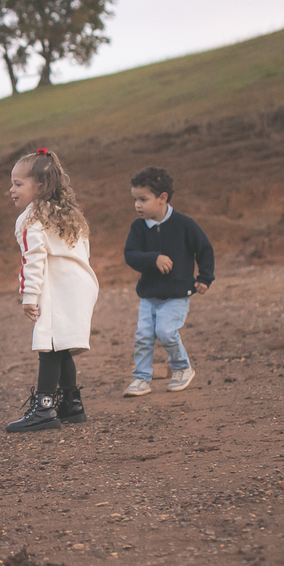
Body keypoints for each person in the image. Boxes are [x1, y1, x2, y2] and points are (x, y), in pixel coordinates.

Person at [5, 148, 100, 432]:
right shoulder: (69, 214)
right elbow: (83, 252)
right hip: (82, 285)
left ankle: (44, 410)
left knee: (48, 347)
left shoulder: (30, 218)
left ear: (41, 186)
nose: (11, 189)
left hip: (58, 290)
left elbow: (32, 260)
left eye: (18, 184)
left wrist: (29, 297)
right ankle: (71, 405)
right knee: (61, 347)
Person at [122, 166, 214, 397]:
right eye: (135, 199)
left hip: (177, 294)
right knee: (143, 336)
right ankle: (141, 379)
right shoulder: (138, 227)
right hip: (149, 295)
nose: (137, 205)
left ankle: (183, 368)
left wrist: (204, 278)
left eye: (143, 199)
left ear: (162, 198)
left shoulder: (184, 224)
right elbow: (130, 255)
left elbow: (204, 249)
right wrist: (153, 259)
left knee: (165, 331)